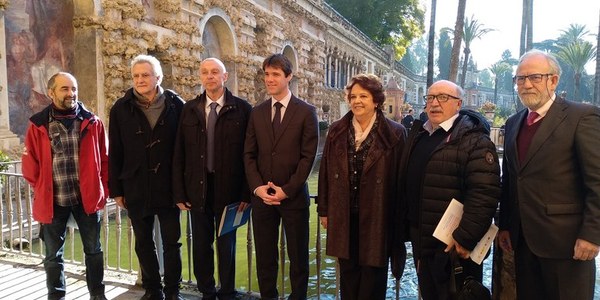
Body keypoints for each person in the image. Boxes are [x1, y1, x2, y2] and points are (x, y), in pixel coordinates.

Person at [497, 49, 600, 299]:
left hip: (568, 245)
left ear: (553, 80)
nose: (526, 84)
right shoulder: (513, 123)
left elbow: (597, 181)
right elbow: (511, 180)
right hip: (523, 244)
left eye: (535, 77)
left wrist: (592, 234)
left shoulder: (581, 117)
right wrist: (505, 226)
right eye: (520, 79)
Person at [400, 80, 500, 299]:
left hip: (455, 247)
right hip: (424, 241)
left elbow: (485, 193)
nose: (435, 103)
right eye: (430, 98)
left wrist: (465, 238)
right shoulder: (421, 135)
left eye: (443, 97)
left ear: (458, 104)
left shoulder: (474, 140)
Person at [317, 74, 406, 299]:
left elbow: (401, 180)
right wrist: (324, 210)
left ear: (376, 100)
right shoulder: (337, 130)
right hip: (344, 215)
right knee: (348, 276)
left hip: (378, 215)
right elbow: (325, 173)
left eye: (363, 96)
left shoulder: (395, 133)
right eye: (353, 96)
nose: (357, 101)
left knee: (373, 278)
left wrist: (399, 219)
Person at [22, 72, 108, 300]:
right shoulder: (38, 124)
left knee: (94, 251)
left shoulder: (92, 121)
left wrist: (103, 190)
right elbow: (30, 165)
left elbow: (105, 159)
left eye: (73, 88)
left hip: (85, 198)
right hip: (53, 200)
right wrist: (41, 187)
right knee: (52, 255)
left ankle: (98, 295)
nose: (71, 93)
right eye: (64, 89)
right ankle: (56, 296)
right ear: (51, 92)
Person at [172, 58, 252, 300]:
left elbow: (250, 155)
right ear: (200, 76)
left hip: (229, 189)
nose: (210, 76)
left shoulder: (242, 109)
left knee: (226, 244)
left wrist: (246, 194)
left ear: (224, 76)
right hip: (198, 188)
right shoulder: (190, 108)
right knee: (200, 245)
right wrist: (179, 192)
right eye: (205, 72)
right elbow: (179, 153)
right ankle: (207, 291)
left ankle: (227, 292)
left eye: (215, 72)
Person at [108, 55, 184, 300]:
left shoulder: (176, 104)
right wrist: (116, 190)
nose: (140, 80)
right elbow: (116, 151)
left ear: (158, 77)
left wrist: (185, 187)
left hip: (169, 186)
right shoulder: (120, 108)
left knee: (172, 243)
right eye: (136, 76)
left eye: (145, 75)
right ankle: (153, 290)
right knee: (143, 242)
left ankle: (173, 291)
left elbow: (186, 149)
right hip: (136, 184)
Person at [243, 53, 319, 300]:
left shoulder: (307, 112)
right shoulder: (257, 112)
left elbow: (308, 157)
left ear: (289, 76)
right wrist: (257, 188)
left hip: (293, 198)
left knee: (298, 258)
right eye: (266, 74)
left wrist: (288, 189)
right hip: (262, 199)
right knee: (265, 257)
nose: (269, 79)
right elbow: (249, 154)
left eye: (275, 74)